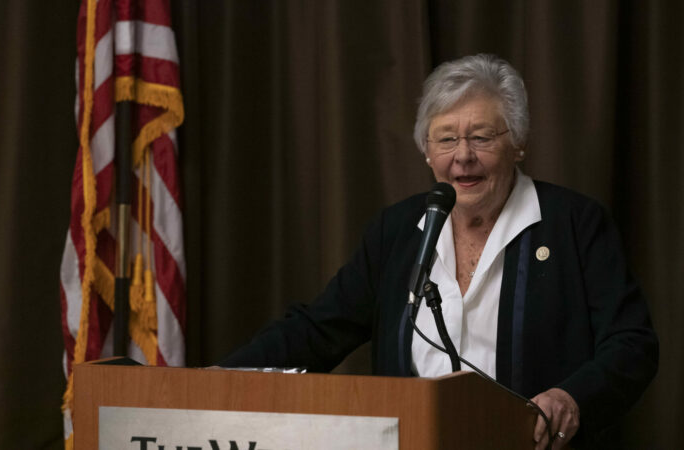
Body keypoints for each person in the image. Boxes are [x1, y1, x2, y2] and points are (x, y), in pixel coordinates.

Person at [219, 53, 658, 448]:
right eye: (446, 139)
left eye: (482, 137)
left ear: (518, 143)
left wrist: (570, 397)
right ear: (427, 152)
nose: (462, 156)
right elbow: (318, 329)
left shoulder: (573, 224)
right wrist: (224, 377)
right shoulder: (398, 230)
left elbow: (631, 343)